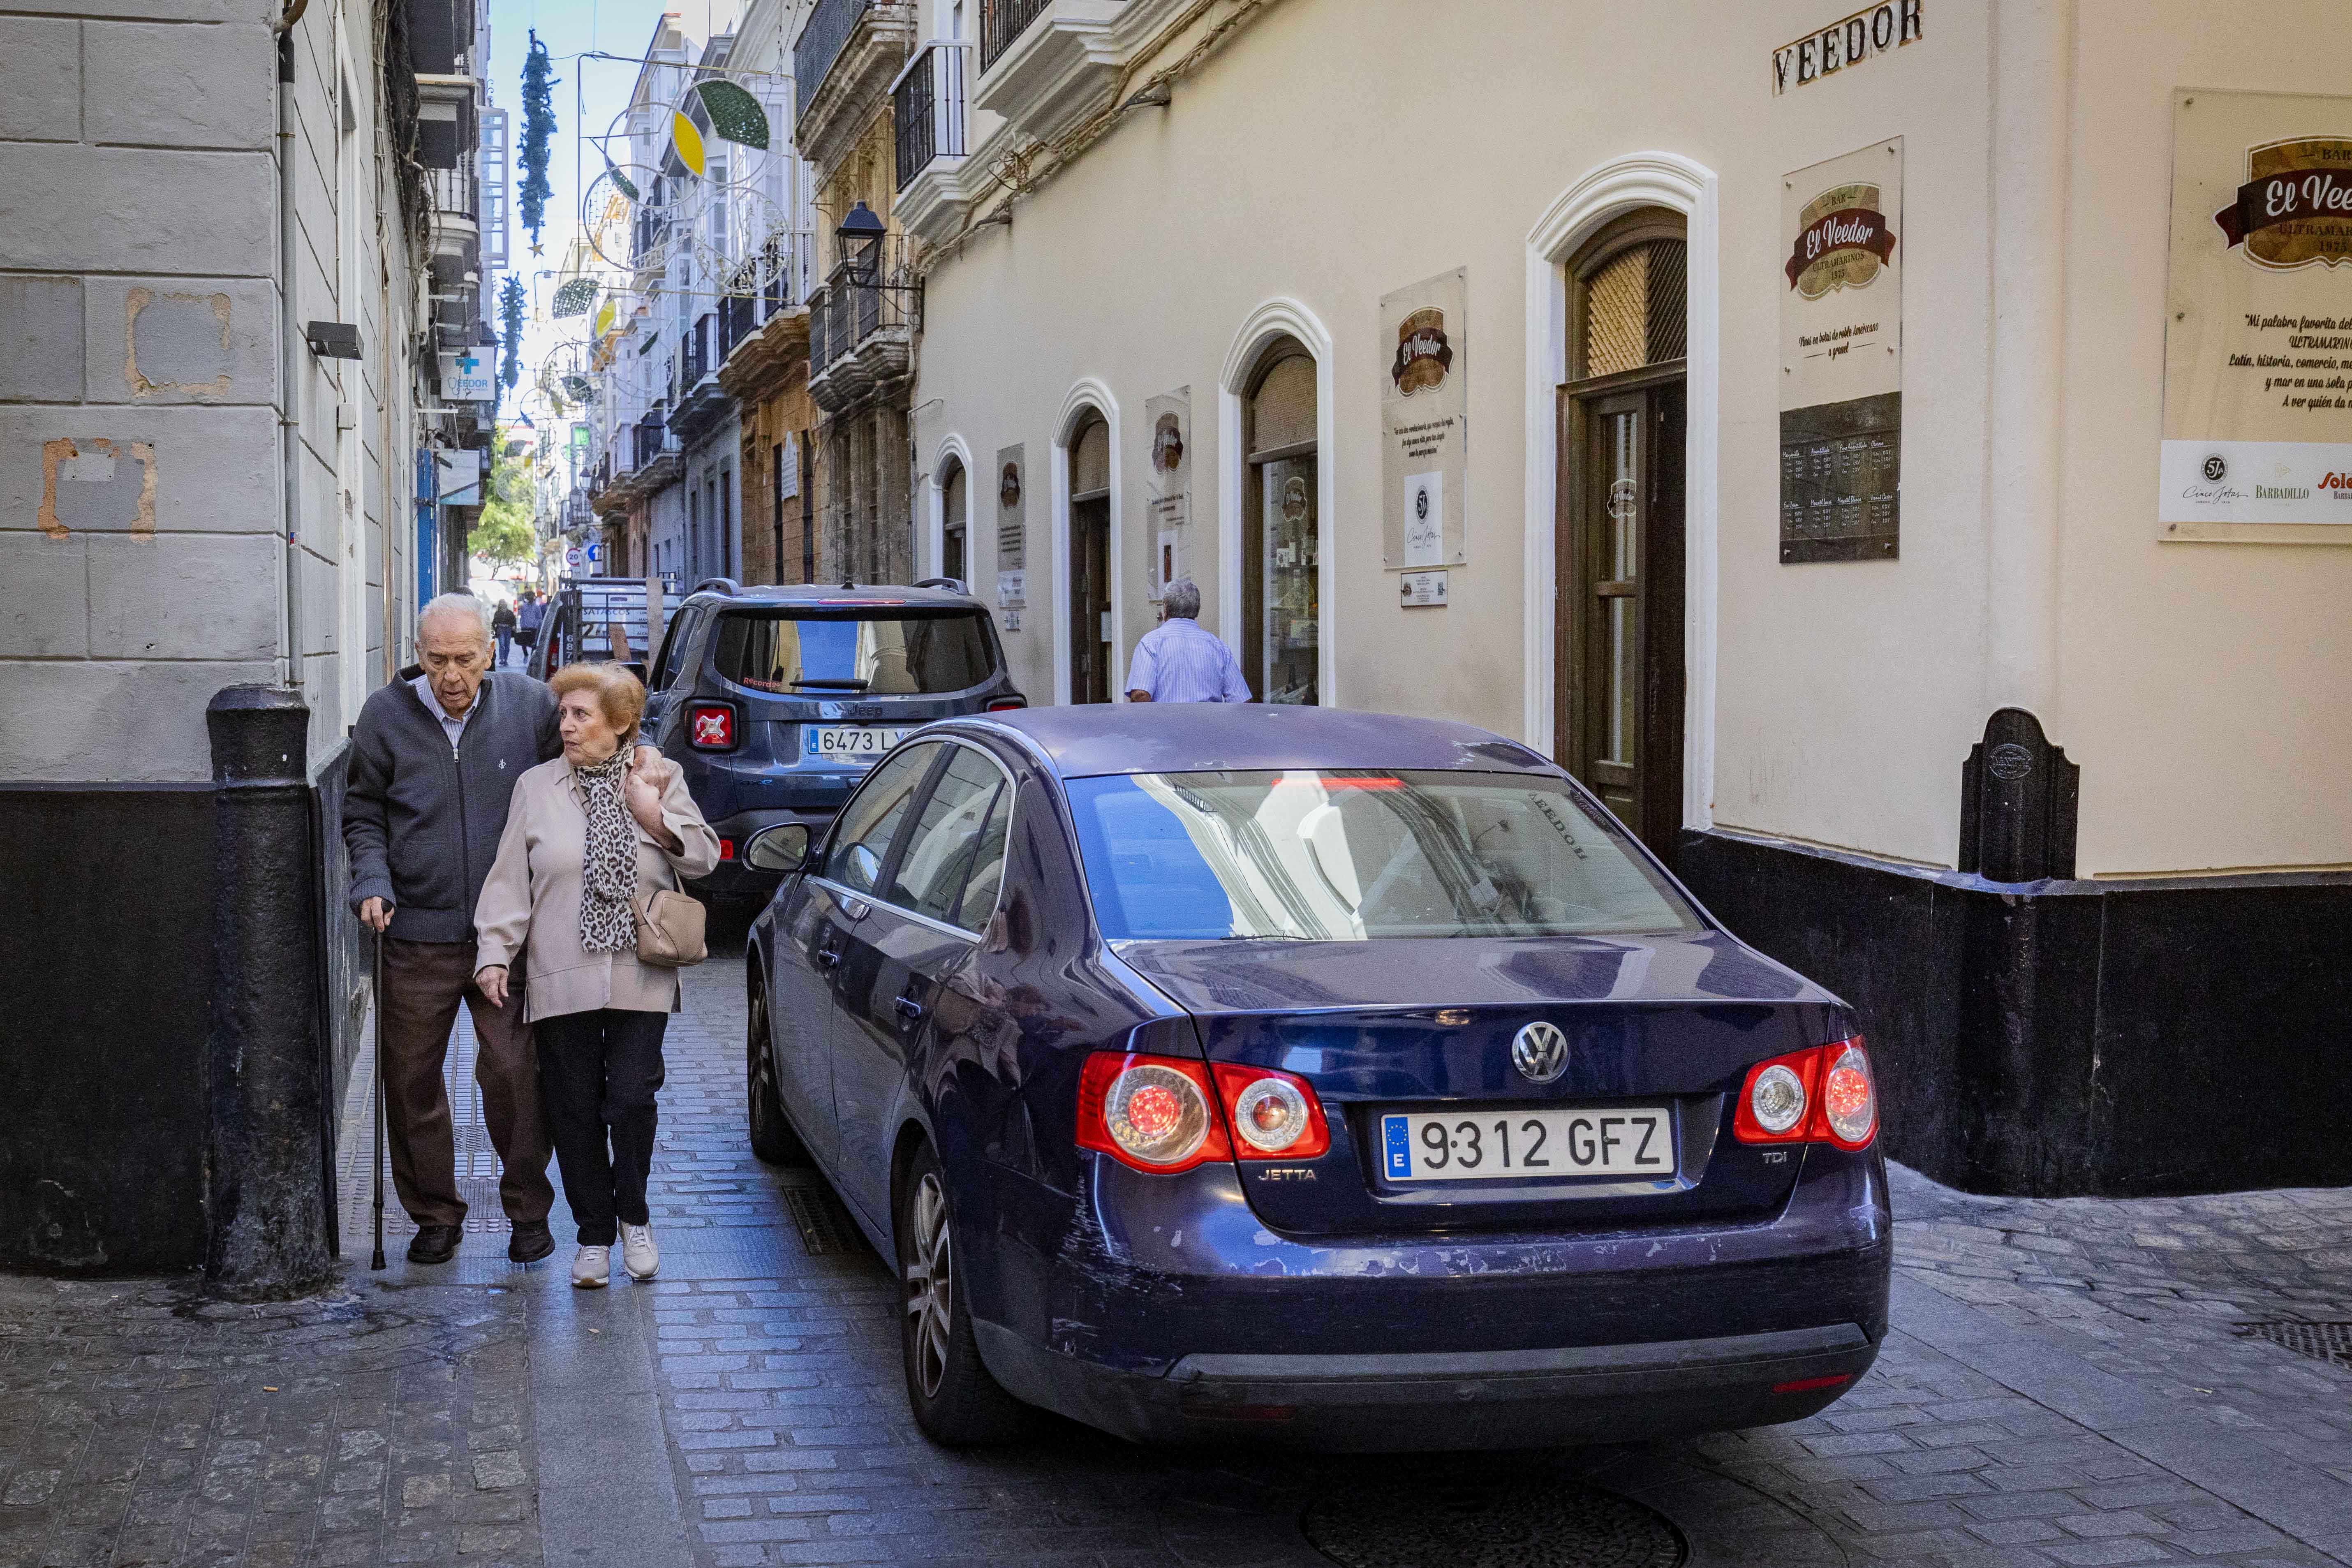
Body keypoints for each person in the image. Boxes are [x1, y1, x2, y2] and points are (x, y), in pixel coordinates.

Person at [472, 663, 719, 1289]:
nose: (567, 725)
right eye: (564, 714)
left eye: (582, 714)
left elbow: (706, 856)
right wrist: (495, 952)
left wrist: (653, 815)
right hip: (561, 969)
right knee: (574, 1106)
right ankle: (593, 1234)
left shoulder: (657, 776)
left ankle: (634, 1216)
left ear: (621, 723)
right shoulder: (537, 786)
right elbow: (510, 879)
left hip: (642, 969)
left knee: (631, 1096)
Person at [345, 592, 562, 1266]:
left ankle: (528, 1208)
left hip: (507, 933)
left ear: (490, 652)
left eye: (466, 658)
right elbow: (362, 812)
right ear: (418, 656)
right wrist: (372, 879)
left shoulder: (530, 707)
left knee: (515, 1070)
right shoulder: (385, 716)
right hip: (415, 930)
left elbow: (576, 782)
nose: (452, 675)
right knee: (410, 1077)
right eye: (437, 659)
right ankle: (435, 1214)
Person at [1124, 578, 1252, 703]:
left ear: (1165, 608)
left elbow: (1140, 695)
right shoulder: (1218, 647)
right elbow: (1241, 700)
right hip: (1210, 724)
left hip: (1165, 724)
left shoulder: (1150, 644)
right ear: (1197, 609)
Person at [516, 591, 544, 659]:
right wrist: (522, 625)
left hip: (534, 628)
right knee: (524, 643)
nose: (531, 598)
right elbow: (521, 616)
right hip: (525, 627)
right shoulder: (524, 607)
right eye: (529, 597)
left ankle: (532, 657)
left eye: (532, 597)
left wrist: (536, 625)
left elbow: (540, 618)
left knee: (533, 644)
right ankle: (526, 654)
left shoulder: (537, 607)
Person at [492, 598, 518, 667]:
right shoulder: (497, 613)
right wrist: (496, 629)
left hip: (508, 630)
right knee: (502, 645)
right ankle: (502, 659)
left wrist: (514, 626)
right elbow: (494, 622)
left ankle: (505, 659)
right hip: (501, 629)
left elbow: (514, 621)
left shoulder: (510, 613)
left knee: (507, 646)